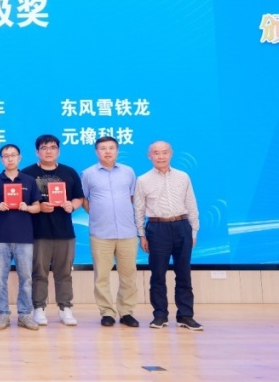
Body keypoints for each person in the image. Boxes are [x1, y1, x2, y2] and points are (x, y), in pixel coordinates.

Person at [134, 141, 202, 331]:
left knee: (184, 273)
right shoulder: (143, 180)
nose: (161, 156)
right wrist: (141, 235)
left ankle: (186, 315)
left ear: (171, 154)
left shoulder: (183, 176)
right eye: (156, 153)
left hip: (182, 226)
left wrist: (193, 231)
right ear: (149, 156)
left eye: (164, 152)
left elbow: (191, 204)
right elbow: (139, 209)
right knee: (157, 275)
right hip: (157, 228)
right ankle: (160, 315)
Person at [22, 134, 85, 327]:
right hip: (38, 232)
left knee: (64, 273)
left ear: (58, 151)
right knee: (39, 273)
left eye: (52, 147)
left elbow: (79, 197)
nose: (48, 151)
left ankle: (65, 308)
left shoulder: (69, 172)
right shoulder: (27, 173)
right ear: (37, 152)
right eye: (44, 148)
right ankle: (39, 308)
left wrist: (72, 206)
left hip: (65, 232)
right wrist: (38, 207)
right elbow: (22, 202)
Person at [81, 136, 139, 328]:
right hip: (100, 233)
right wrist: (99, 214)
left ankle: (126, 312)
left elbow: (133, 197)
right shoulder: (88, 174)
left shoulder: (128, 172)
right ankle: (106, 312)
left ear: (117, 150)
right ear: (96, 151)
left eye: (111, 148)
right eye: (103, 148)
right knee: (102, 276)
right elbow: (85, 199)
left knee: (128, 275)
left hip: (127, 232)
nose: (107, 151)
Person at [0, 144, 41, 331]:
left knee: (26, 278)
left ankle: (25, 314)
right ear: (1, 159)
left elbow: (38, 206)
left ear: (19, 157)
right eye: (6, 156)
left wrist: (27, 207)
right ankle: (3, 314)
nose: (9, 159)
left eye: (13, 155)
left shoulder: (29, 180)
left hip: (24, 237)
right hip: (1, 237)